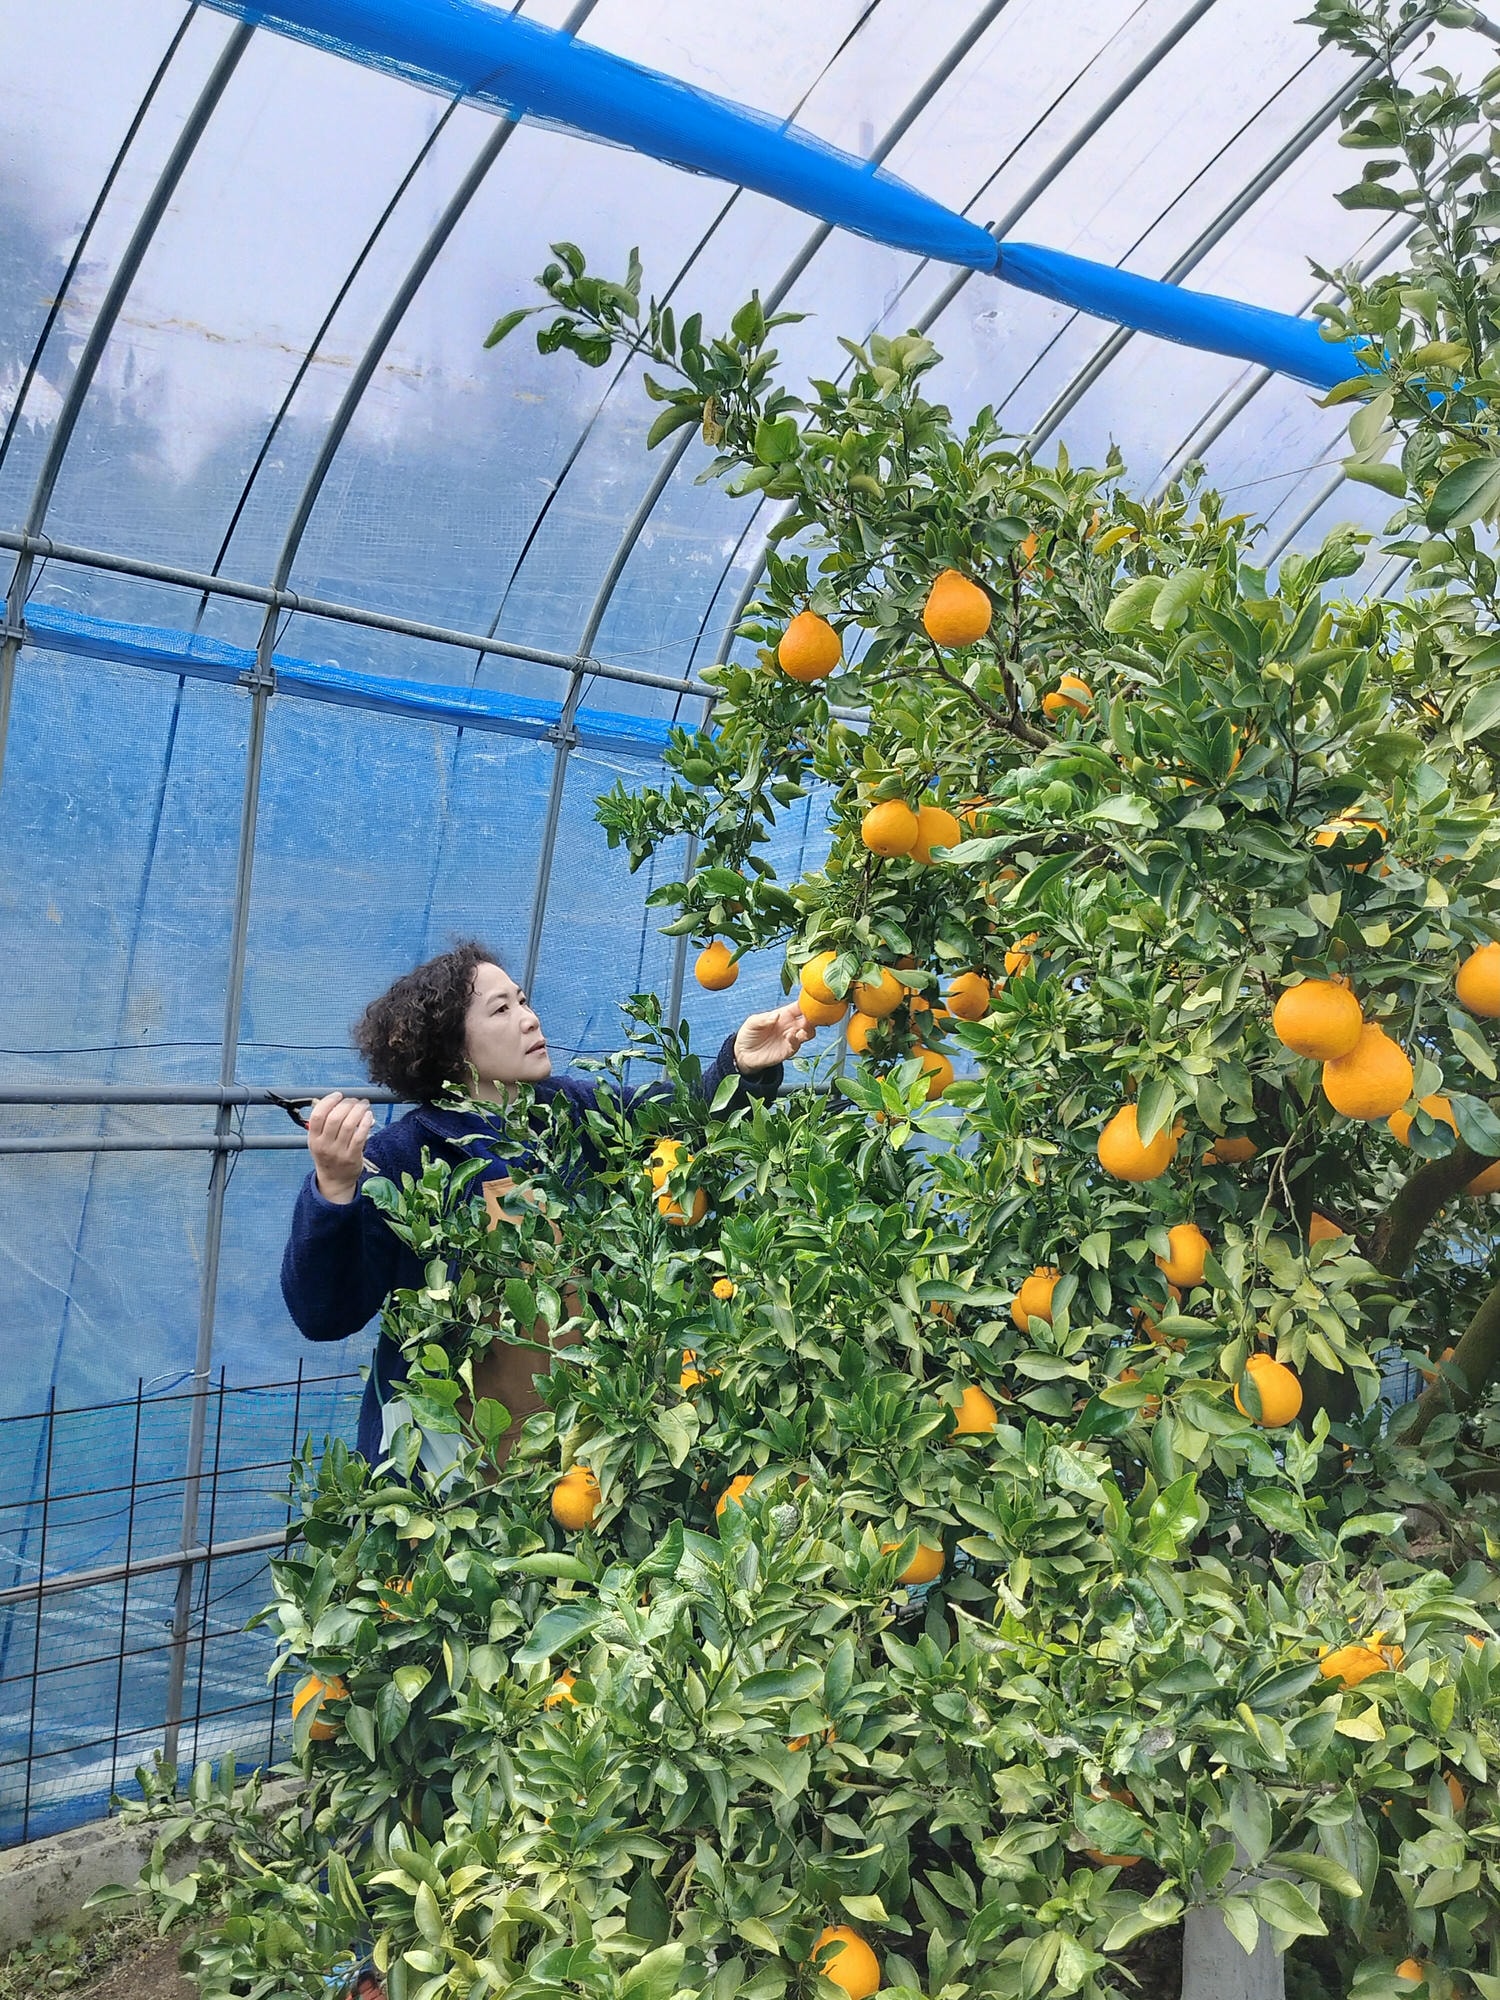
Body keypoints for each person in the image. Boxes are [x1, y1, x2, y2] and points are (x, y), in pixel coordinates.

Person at [280, 940, 813, 1466]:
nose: (529, 1019)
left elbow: (668, 1118)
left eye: (523, 1000)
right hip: (455, 1470)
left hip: (583, 1441)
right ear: (452, 1046)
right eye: (501, 1009)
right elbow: (324, 1313)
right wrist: (333, 1190)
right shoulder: (406, 1158)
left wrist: (739, 1066)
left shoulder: (570, 1111)